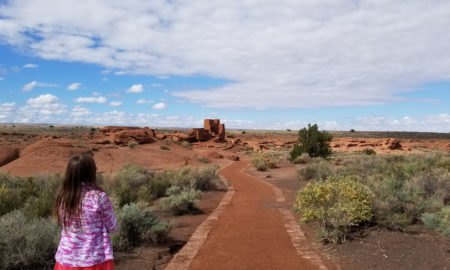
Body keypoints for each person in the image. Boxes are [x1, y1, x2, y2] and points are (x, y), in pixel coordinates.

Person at [53, 154, 117, 270]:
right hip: (94, 261)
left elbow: (64, 225)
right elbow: (113, 227)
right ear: (90, 173)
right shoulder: (99, 197)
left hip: (66, 260)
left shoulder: (63, 198)